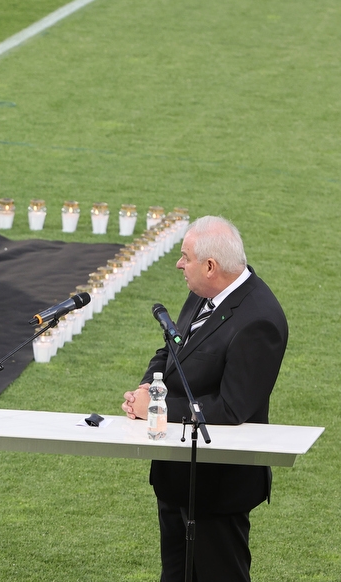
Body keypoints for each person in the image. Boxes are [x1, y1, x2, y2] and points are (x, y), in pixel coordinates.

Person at [122, 216, 288, 582]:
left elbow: (231, 408)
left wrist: (157, 408)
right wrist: (146, 388)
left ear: (211, 266)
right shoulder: (203, 292)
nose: (179, 264)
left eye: (185, 257)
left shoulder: (260, 320)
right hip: (175, 474)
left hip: (218, 488)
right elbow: (170, 351)